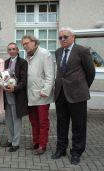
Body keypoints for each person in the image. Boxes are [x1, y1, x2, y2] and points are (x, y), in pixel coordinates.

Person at [51, 27, 95, 165]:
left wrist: (82, 87)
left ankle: (76, 152)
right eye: (60, 37)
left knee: (78, 125)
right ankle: (61, 149)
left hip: (77, 95)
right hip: (61, 94)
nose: (63, 39)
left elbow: (90, 72)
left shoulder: (82, 51)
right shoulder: (58, 52)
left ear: (73, 37)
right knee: (61, 124)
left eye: (65, 37)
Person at [22, 35, 55, 155]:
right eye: (23, 44)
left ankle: (42, 145)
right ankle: (36, 142)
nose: (25, 46)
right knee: (33, 121)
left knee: (43, 122)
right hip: (30, 94)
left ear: (35, 42)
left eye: (27, 43)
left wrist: (45, 90)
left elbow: (50, 74)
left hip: (42, 95)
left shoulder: (44, 54)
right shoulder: (28, 56)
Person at [2, 42, 28, 152]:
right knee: (8, 119)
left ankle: (16, 143)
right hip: (6, 94)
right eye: (9, 49)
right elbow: (3, 77)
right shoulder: (6, 62)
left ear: (17, 50)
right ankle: (10, 139)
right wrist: (2, 84)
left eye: (13, 49)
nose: (11, 51)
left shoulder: (23, 62)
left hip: (17, 94)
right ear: (8, 51)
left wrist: (15, 88)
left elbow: (23, 80)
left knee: (16, 119)